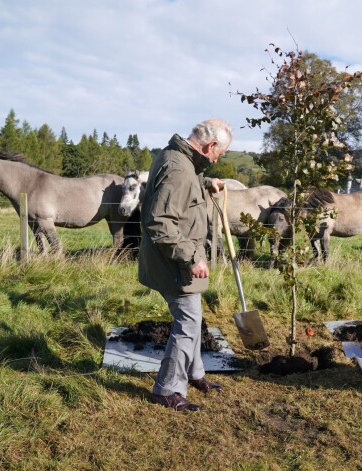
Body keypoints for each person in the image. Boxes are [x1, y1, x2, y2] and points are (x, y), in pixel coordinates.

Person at [138, 118, 232, 412]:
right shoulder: (179, 169)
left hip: (172, 259)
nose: (218, 160)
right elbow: (160, 222)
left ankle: (195, 374)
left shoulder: (177, 159)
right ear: (210, 145)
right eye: (220, 154)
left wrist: (206, 184)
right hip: (175, 262)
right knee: (188, 322)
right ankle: (167, 389)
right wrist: (191, 258)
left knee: (192, 317)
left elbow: (180, 190)